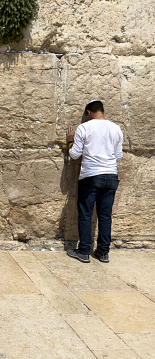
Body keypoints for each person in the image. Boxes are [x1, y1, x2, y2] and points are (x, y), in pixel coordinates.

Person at [65, 100, 123, 263]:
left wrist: (70, 140)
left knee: (85, 214)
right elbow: (118, 157)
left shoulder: (85, 127)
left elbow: (74, 154)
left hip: (91, 176)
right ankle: (103, 252)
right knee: (105, 216)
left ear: (88, 112)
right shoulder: (116, 129)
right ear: (103, 111)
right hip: (111, 176)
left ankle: (84, 251)